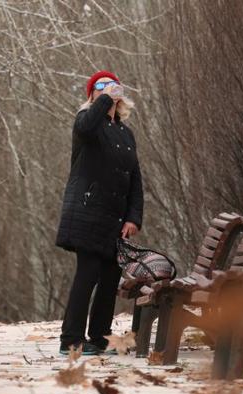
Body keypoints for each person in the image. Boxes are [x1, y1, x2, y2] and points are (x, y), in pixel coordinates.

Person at [55, 71, 144, 354]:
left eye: (112, 86)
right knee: (87, 275)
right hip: (88, 213)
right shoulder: (86, 123)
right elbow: (87, 125)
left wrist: (133, 217)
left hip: (115, 219)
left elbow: (135, 178)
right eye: (100, 87)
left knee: (109, 279)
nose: (108, 91)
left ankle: (98, 337)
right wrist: (104, 98)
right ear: (92, 94)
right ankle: (71, 340)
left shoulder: (126, 133)